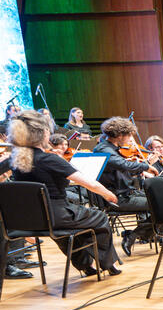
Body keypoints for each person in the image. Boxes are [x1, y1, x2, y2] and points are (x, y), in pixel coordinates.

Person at [6, 110, 123, 278]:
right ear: (44, 134)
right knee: (99, 218)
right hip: (59, 215)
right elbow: (89, 184)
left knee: (68, 231)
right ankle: (107, 264)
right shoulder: (50, 159)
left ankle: (85, 266)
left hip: (31, 220)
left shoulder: (16, 161)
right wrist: (107, 194)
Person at [94, 116, 157, 256]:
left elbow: (122, 171)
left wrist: (138, 171)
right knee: (161, 206)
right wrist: (145, 166)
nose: (130, 139)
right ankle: (136, 235)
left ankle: (136, 234)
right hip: (118, 199)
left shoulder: (114, 149)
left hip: (128, 193)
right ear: (119, 135)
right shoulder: (103, 150)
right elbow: (124, 165)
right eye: (128, 135)